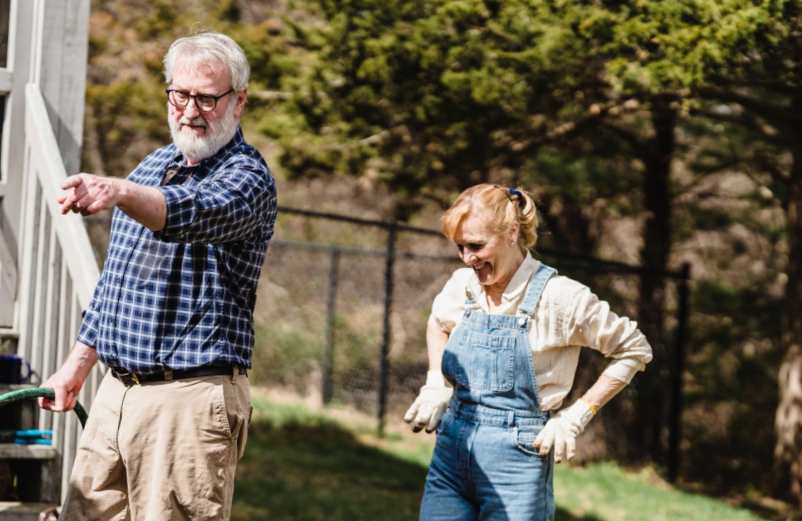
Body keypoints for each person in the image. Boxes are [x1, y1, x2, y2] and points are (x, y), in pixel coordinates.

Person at [38, 32, 277, 520]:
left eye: (207, 98)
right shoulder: (152, 166)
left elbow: (191, 213)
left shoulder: (247, 178)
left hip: (188, 403)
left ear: (239, 101)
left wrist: (120, 192)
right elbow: (115, 283)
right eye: (180, 94)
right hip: (117, 393)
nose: (191, 109)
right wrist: (77, 367)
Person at [404, 184, 652, 521]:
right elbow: (438, 322)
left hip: (517, 461)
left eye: (476, 246)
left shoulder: (561, 298)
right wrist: (436, 382)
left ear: (511, 232)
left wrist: (577, 416)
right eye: (460, 247)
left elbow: (634, 350)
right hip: (452, 450)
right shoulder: (463, 286)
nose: (467, 258)